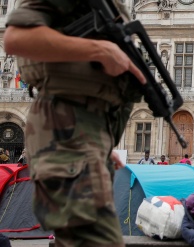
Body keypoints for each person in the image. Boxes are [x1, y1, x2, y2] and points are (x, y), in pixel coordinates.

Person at [4, 1, 147, 246]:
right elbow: (16, 38)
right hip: (64, 135)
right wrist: (98, 50)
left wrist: (103, 140)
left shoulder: (117, 8)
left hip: (90, 139)